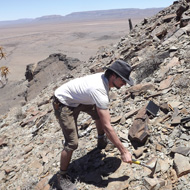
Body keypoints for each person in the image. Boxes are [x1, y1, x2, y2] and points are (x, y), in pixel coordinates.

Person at [52, 60, 134, 190]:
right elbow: (107, 126)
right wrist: (123, 151)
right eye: (123, 80)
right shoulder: (99, 90)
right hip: (63, 102)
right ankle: (61, 176)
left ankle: (101, 141)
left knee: (98, 114)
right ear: (113, 76)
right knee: (72, 143)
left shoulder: (104, 81)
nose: (124, 84)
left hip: (78, 99)